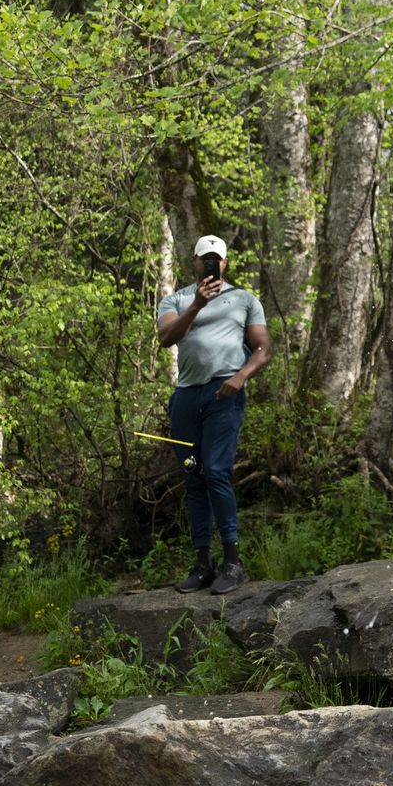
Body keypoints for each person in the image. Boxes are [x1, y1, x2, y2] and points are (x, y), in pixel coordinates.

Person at [155, 235, 271, 595]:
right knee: (193, 476)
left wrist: (240, 377)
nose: (211, 264)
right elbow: (166, 338)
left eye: (216, 259)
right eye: (205, 259)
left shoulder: (244, 299)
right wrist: (197, 306)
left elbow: (263, 350)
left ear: (225, 262)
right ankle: (203, 563)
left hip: (225, 392)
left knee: (217, 472)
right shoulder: (176, 300)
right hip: (187, 397)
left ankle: (233, 562)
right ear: (194, 262)